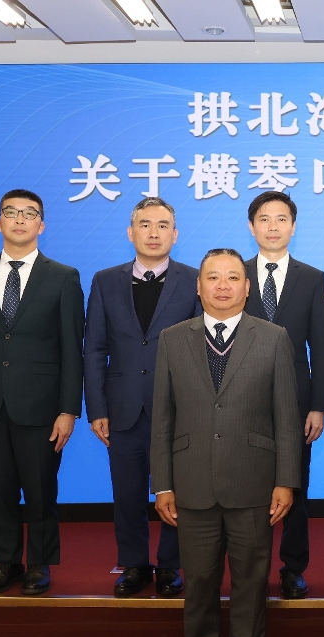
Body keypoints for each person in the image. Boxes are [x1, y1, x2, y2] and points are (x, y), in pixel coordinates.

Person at [150, 249, 302, 637]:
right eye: (212, 278)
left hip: (254, 483)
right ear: (198, 287)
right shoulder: (173, 338)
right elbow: (162, 417)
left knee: (251, 585)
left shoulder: (273, 338)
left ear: (247, 287)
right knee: (198, 585)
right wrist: (162, 484)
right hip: (191, 482)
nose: (222, 286)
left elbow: (286, 416)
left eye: (232, 277)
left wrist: (286, 480)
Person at [0, 189, 84, 597]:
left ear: (41, 224)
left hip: (42, 406)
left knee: (41, 491)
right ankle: (6, 562)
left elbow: (72, 349)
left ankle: (39, 563)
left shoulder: (63, 277)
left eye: (29, 213)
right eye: (11, 212)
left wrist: (68, 410)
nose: (20, 219)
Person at [84, 196, 200, 597]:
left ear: (175, 234)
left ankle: (170, 565)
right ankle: (133, 564)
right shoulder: (105, 281)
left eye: (163, 225)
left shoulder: (194, 279)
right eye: (145, 224)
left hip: (179, 408)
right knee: (127, 493)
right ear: (130, 232)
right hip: (123, 406)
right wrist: (96, 407)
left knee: (177, 491)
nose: (154, 232)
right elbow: (95, 348)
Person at [242, 191, 324, 600]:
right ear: (252, 226)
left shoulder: (311, 277)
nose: (273, 226)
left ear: (293, 227)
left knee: (295, 486)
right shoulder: (236, 274)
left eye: (281, 219)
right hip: (244, 400)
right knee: (249, 488)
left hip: (296, 401)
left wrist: (318, 406)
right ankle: (251, 567)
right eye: (264, 219)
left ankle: (293, 568)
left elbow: (320, 346)